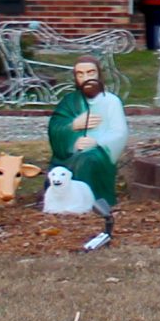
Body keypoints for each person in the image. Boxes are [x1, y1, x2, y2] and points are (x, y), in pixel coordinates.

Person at [46, 58, 127, 249]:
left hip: (99, 152)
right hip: (70, 152)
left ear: (99, 74)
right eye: (80, 74)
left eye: (91, 73)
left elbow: (120, 132)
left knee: (87, 160)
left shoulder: (111, 102)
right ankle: (63, 203)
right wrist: (74, 128)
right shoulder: (70, 102)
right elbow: (55, 128)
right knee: (59, 170)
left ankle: (90, 202)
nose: (86, 78)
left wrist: (97, 142)